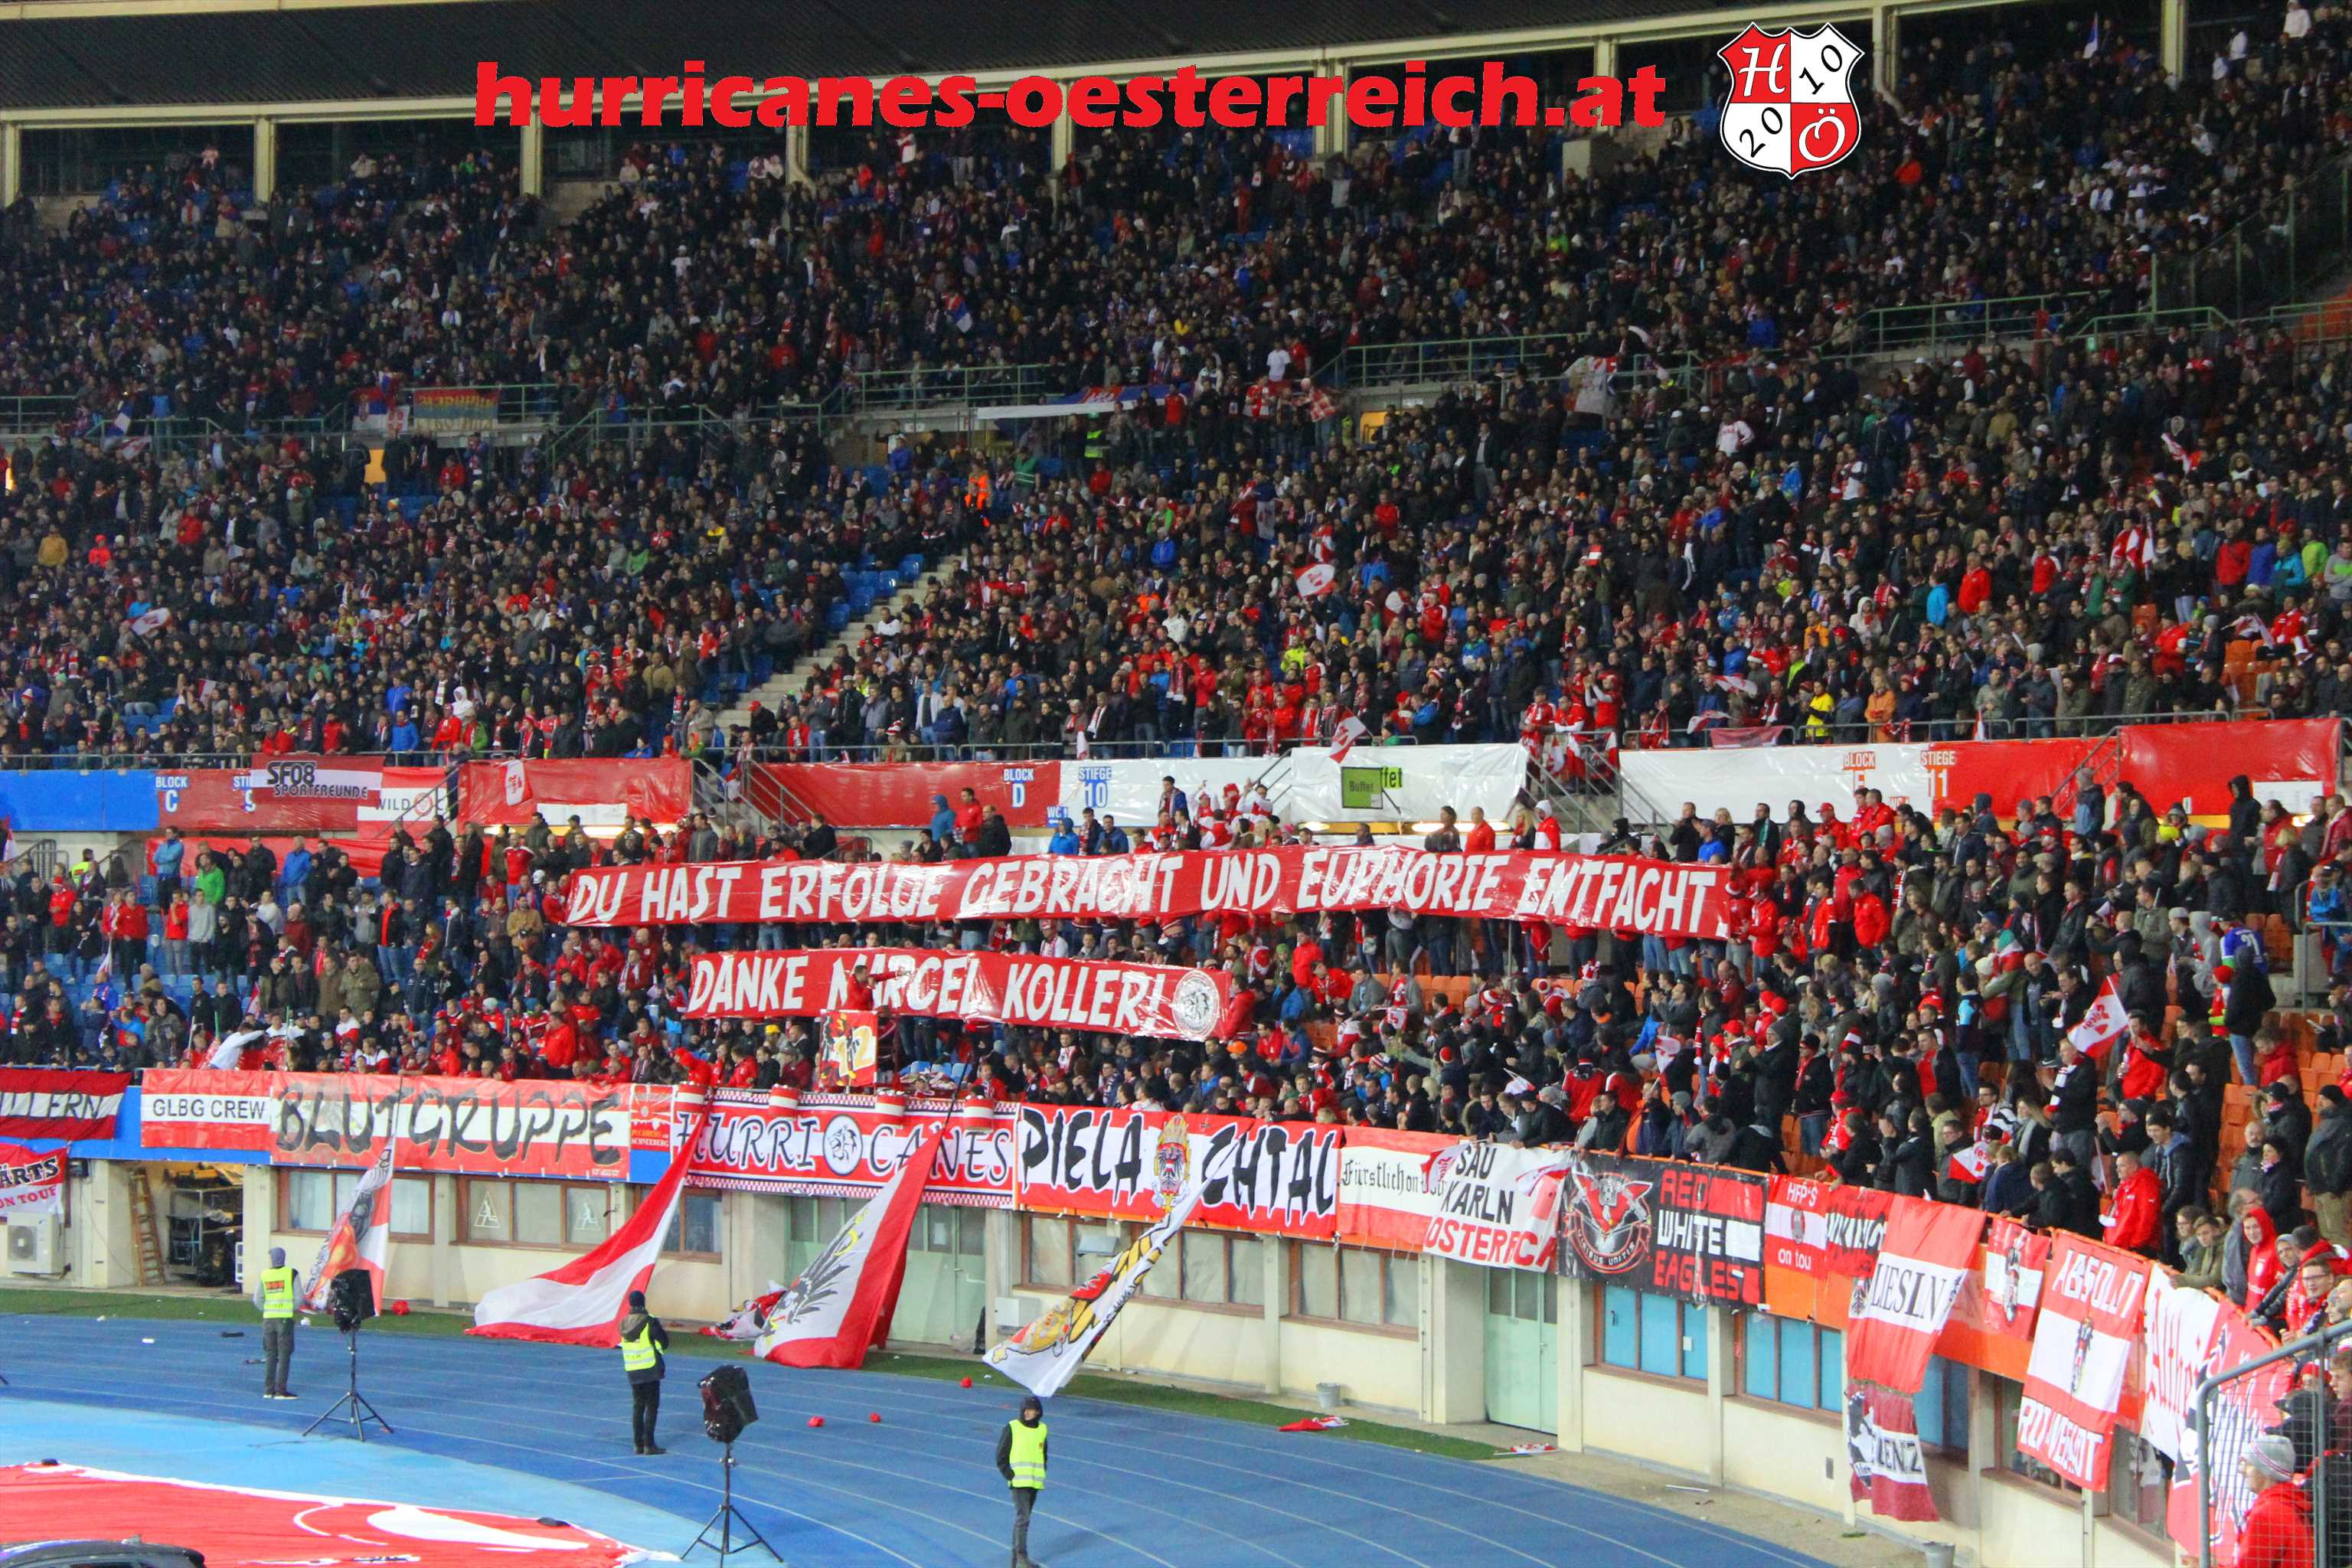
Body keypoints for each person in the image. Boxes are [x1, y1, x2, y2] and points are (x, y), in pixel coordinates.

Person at [2239, 1432, 2314, 1568]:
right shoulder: (2288, 1505)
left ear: (2266, 1470)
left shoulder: (2267, 1513)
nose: (2242, 1471)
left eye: (2248, 1465)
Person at [995, 1392, 1048, 1568]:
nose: (1026, 1412)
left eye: (1030, 1409)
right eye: (1024, 1409)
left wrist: (1042, 1473)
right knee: (1023, 1519)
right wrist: (1010, 1475)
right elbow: (1001, 1455)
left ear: (1038, 1412)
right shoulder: (1013, 1427)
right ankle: (1021, 1557)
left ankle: (1015, 1561)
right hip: (1019, 1483)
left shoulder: (1042, 1429)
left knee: (1022, 1520)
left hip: (1035, 1482)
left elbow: (1043, 1454)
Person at [621, 1288, 671, 1455]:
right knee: (651, 1407)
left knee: (638, 1406)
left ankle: (638, 1444)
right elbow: (664, 1341)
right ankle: (649, 1444)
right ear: (643, 1303)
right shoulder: (650, 1322)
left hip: (632, 1369)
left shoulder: (623, 1323)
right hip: (650, 1369)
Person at [253, 1245, 299, 1400]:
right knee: (284, 1354)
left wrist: (268, 1309)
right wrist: (289, 1309)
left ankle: (268, 1390)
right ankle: (281, 1390)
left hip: (268, 1319)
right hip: (284, 1319)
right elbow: (299, 1298)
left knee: (271, 1354)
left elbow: (257, 1299)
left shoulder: (265, 1275)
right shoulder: (291, 1273)